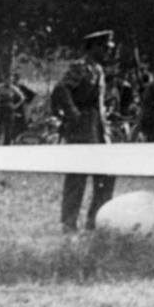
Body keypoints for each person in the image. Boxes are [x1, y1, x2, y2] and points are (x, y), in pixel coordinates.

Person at [53, 30, 117, 231]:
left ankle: (94, 221)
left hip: (98, 129)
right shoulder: (81, 67)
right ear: (93, 47)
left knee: (107, 175)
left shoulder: (98, 68)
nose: (107, 52)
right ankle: (69, 224)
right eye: (104, 48)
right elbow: (61, 89)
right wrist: (72, 113)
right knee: (77, 177)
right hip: (82, 129)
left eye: (108, 48)